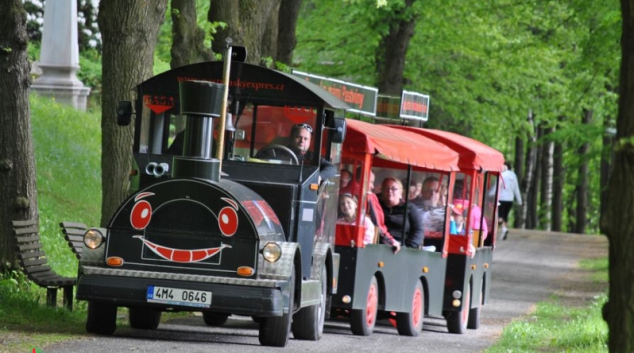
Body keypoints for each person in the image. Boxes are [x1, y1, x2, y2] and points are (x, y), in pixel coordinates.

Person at [259, 123, 336, 181]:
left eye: (305, 139)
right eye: (298, 137)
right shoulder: (275, 152)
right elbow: (257, 161)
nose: (302, 141)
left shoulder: (312, 157)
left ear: (310, 142)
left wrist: (319, 177)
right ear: (291, 138)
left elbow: (332, 168)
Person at [379, 177, 424, 249]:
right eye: (386, 188)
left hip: (404, 247)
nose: (390, 191)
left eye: (394, 189)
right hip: (381, 246)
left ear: (400, 191)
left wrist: (408, 248)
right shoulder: (377, 206)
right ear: (382, 191)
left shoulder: (410, 208)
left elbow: (418, 230)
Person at [499, 161, 522, 240]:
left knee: (499, 216)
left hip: (501, 198)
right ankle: (503, 232)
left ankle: (504, 229)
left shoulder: (502, 175)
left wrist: (490, 193)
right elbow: (516, 189)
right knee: (505, 215)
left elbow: (497, 186)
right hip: (510, 199)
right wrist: (519, 201)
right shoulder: (514, 176)